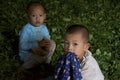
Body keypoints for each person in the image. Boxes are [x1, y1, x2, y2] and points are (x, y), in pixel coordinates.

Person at [19, 1, 56, 69]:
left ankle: (47, 60)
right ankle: (26, 67)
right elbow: (22, 45)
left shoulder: (43, 27)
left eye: (40, 15)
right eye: (33, 16)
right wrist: (36, 44)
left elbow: (47, 38)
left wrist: (47, 47)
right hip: (28, 53)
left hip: (41, 49)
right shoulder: (26, 29)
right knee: (34, 59)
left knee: (52, 43)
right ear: (27, 17)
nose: (37, 18)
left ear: (44, 16)